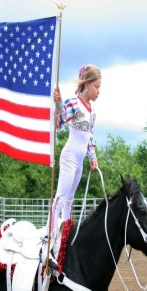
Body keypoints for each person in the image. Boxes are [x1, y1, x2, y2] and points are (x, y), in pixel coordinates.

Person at [50, 64, 101, 241]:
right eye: (96, 86)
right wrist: (58, 104)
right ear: (86, 85)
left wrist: (92, 157)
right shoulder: (74, 103)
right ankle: (51, 235)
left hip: (79, 162)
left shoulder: (92, 111)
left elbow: (89, 135)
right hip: (69, 158)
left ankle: (65, 235)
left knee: (70, 200)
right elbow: (60, 122)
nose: (98, 91)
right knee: (61, 198)